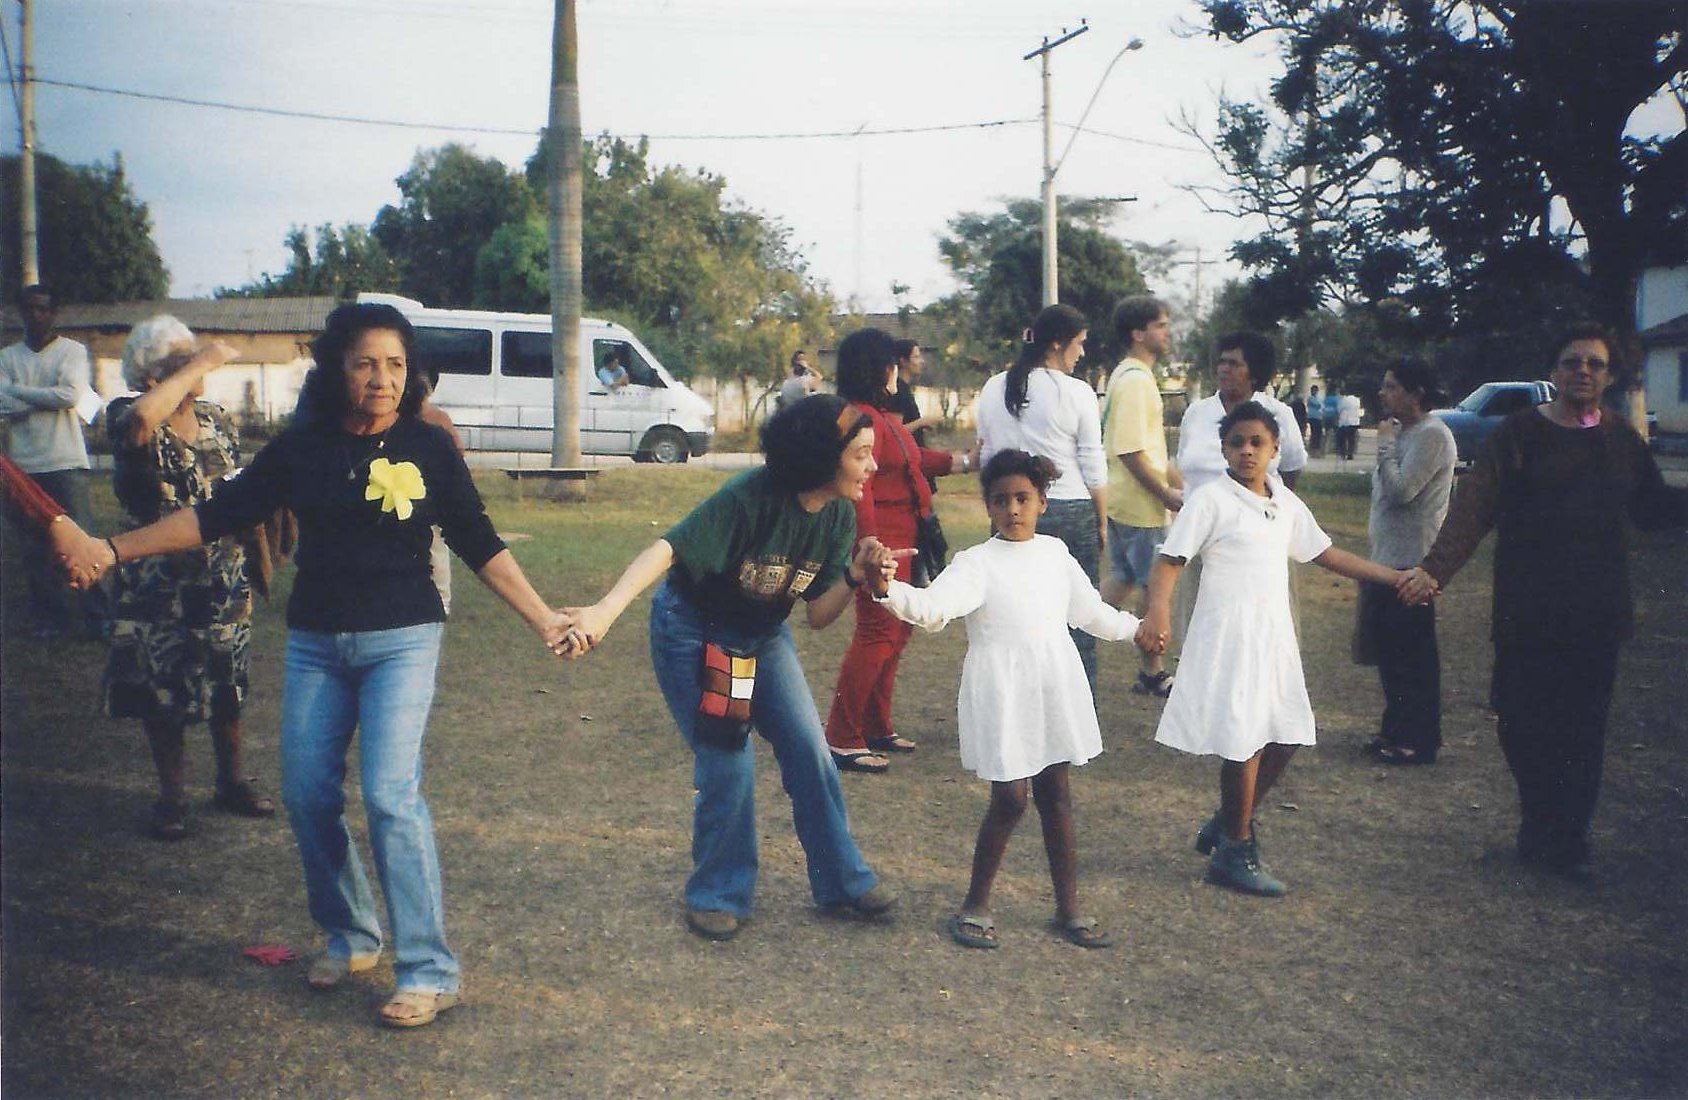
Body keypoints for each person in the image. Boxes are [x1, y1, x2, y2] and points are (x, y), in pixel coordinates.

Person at [63, 302, 578, 1028]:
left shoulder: (428, 446)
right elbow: (215, 515)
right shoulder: (301, 447)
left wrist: (543, 617)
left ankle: (429, 970)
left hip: (404, 636)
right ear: (338, 368)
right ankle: (351, 933)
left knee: (392, 794)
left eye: (396, 365)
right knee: (306, 793)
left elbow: (478, 540)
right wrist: (113, 549)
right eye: (366, 363)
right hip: (318, 643)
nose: (382, 378)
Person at [561, 395, 896, 941]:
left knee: (810, 749)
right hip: (697, 632)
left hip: (763, 635)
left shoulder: (838, 515)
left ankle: (841, 879)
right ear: (822, 458)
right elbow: (668, 549)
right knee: (728, 758)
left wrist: (855, 578)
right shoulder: (751, 497)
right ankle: (717, 892)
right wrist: (603, 611)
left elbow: (817, 614)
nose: (872, 466)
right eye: (862, 454)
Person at [1403, 323, 1687, 878]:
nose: (1583, 371)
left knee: (1582, 730)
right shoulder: (1520, 433)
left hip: (1597, 614)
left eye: (1595, 364)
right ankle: (1540, 821)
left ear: (1608, 376)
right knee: (1519, 722)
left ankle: (1566, 842)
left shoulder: (1621, 439)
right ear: (1553, 371)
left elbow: (1654, 509)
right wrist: (1435, 570)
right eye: (1572, 361)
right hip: (1527, 610)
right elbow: (1475, 506)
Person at [865, 449, 1139, 949]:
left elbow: (1091, 612)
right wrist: (888, 589)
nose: (1013, 509)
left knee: (1057, 795)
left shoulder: (1056, 554)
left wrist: (1135, 631)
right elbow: (932, 609)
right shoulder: (976, 564)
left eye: (1023, 498)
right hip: (1002, 691)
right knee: (1011, 798)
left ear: (1042, 502)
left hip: (1052, 684)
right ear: (988, 507)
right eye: (1001, 500)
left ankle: (1070, 908)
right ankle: (976, 903)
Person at [1138, 401, 1412, 896]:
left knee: (1287, 734)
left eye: (1257, 443)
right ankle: (1235, 850)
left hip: (1273, 636)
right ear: (1223, 448)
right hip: (1229, 635)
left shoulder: (1283, 501)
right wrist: (1157, 612)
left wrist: (1393, 578)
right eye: (1237, 442)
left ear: (1275, 449)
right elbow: (1171, 560)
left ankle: (1226, 822)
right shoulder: (1210, 500)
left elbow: (1324, 552)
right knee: (1245, 738)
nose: (1247, 451)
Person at [100, 317, 276, 841]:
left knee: (228, 687)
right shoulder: (129, 414)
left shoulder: (218, 419)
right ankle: (172, 799)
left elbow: (240, 491)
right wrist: (202, 362)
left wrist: (260, 556)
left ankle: (231, 782)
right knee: (163, 693)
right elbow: (138, 427)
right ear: (153, 375)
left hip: (221, 579)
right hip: (157, 582)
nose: (198, 363)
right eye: (182, 358)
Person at [824, 328, 965, 773]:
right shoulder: (862, 419)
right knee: (878, 632)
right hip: (884, 538)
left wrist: (965, 462)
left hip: (905, 537)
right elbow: (861, 484)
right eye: (894, 365)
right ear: (882, 368)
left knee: (896, 630)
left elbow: (914, 459)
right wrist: (869, 541)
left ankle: (874, 722)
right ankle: (843, 736)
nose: (899, 373)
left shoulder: (881, 417)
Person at [975, 304, 1108, 692]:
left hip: (1009, 511)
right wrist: (1100, 519)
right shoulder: (1076, 393)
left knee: (1012, 615)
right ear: (1057, 343)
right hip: (1068, 509)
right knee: (1078, 616)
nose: (1081, 353)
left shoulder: (993, 387)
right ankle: (1078, 705)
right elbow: (1091, 461)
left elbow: (985, 456)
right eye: (1079, 344)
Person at [1171, 332, 1307, 648]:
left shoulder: (1278, 414)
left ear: (1255, 372)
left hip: (1255, 540)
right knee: (1200, 632)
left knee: (1261, 634)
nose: (1224, 369)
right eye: (1221, 362)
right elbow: (1186, 466)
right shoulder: (1197, 413)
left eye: (1234, 364)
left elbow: (1291, 468)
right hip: (1201, 536)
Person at [1357, 359, 1456, 766]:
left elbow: (1401, 491)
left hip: (1411, 563)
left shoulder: (1432, 436)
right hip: (1385, 560)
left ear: (1417, 393)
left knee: (1412, 656)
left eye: (1393, 387)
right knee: (1389, 653)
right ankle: (1395, 728)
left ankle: (1418, 738)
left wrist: (1383, 447)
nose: (1384, 394)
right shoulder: (1405, 433)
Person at [0, 284, 96, 636]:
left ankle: (97, 616)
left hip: (67, 460)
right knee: (35, 547)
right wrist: (47, 396)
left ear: (54, 313)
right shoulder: (6, 357)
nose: (37, 315)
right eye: (30, 308)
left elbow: (71, 396)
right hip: (25, 467)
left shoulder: (72, 351)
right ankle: (51, 620)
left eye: (44, 309)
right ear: (20, 312)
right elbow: (1, 405)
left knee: (84, 541)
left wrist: (17, 391)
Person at [1099, 295, 1182, 698]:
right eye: (1160, 325)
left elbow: (1146, 448)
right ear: (1138, 333)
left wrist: (1175, 481)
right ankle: (1152, 671)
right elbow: (1130, 451)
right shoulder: (1135, 381)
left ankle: (1067, 632)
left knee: (1125, 579)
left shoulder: (1130, 376)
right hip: (1139, 506)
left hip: (1126, 500)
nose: (1167, 332)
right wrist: (1165, 493)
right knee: (1152, 588)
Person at [888, 339, 939, 449]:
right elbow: (895, 432)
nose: (922, 361)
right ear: (903, 361)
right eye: (916, 357)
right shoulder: (898, 390)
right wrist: (921, 422)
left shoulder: (905, 388)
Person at [1336, 384, 1363, 460]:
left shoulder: (1343, 400)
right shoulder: (1357, 400)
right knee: (1351, 439)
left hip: (1345, 422)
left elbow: (1339, 409)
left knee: (1342, 438)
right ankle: (1350, 453)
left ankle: (1343, 453)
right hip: (1355, 422)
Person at [1306, 384, 1325, 453]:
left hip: (1319, 417)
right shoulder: (1310, 399)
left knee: (1318, 433)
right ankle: (1313, 447)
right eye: (1313, 390)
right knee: (1314, 433)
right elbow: (1318, 405)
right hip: (1313, 417)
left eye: (1315, 390)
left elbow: (1323, 406)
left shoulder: (1319, 398)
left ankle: (1316, 447)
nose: (1314, 392)